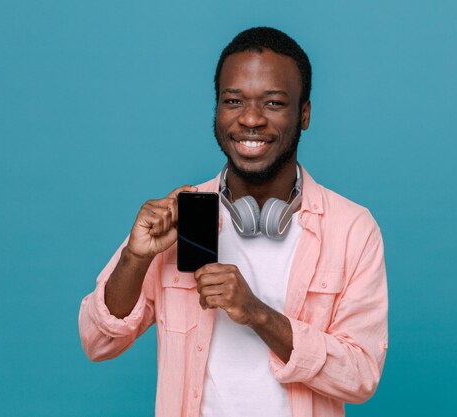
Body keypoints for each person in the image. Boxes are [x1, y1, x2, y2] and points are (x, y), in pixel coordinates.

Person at [79, 27, 388, 417]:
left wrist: (256, 313)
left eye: (273, 103)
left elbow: (361, 375)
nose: (251, 119)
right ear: (217, 108)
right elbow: (97, 341)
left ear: (304, 113)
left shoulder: (351, 229)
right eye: (233, 101)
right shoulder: (185, 214)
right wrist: (135, 258)